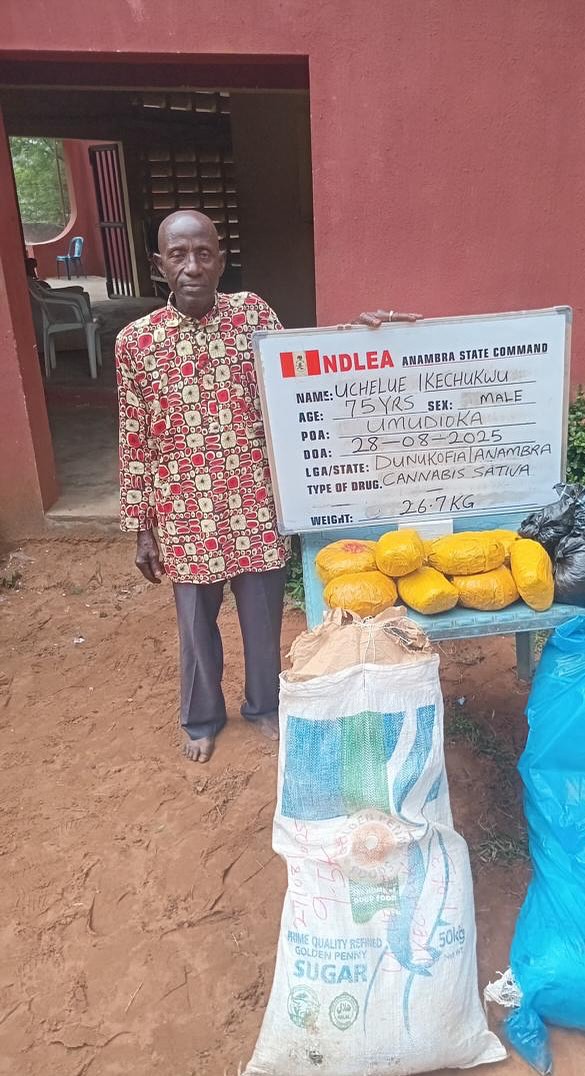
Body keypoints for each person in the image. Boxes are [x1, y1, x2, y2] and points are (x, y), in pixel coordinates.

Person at [116, 210, 419, 762]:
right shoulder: (136, 343)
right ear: (159, 266)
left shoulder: (252, 315)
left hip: (255, 502)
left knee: (263, 619)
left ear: (221, 260)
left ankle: (264, 706)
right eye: (178, 255)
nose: (191, 266)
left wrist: (362, 334)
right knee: (195, 627)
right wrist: (142, 526)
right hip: (184, 512)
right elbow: (134, 438)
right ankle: (202, 717)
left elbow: (305, 369)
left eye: (203, 253)